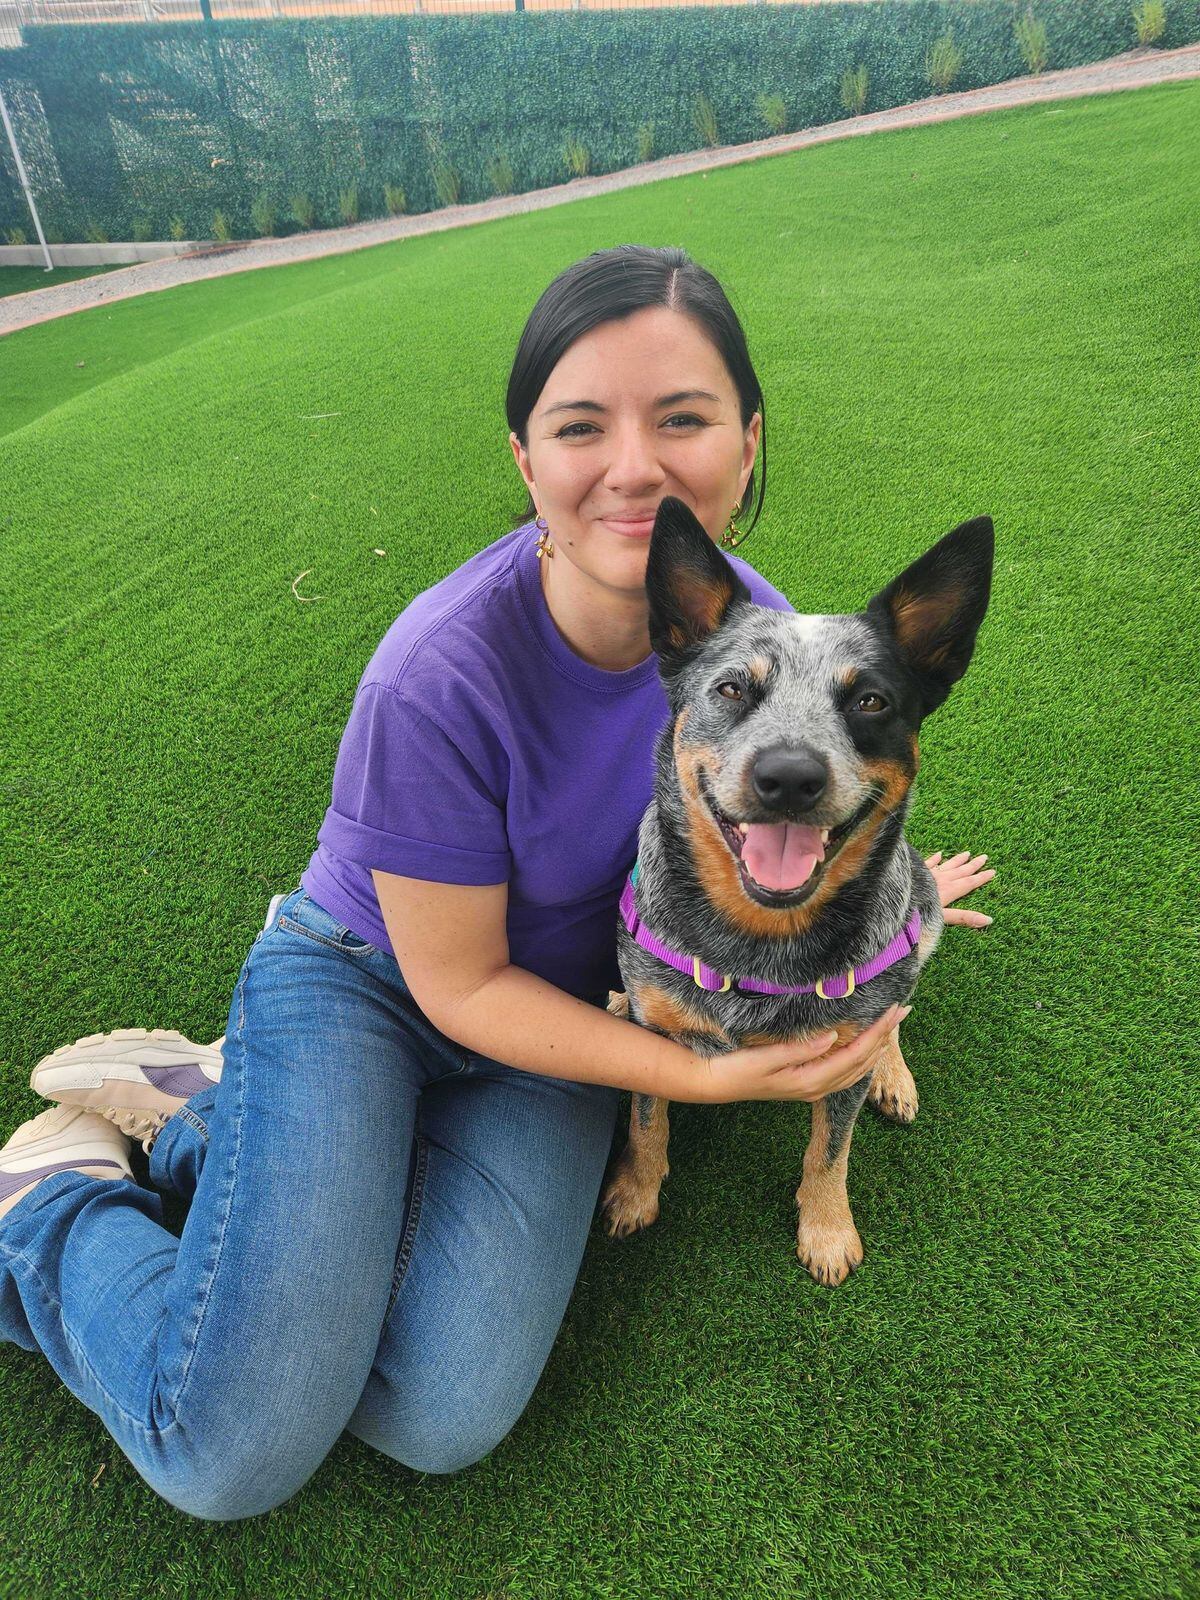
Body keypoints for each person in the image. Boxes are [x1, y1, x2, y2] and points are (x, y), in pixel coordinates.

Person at [0, 245, 994, 1521]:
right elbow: (459, 984)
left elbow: (830, 809)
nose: (634, 465)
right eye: (582, 426)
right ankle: (54, 1209)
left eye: (682, 418)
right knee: (231, 1452)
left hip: (569, 1011)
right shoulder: (436, 673)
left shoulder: (767, 636)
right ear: (528, 459)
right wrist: (697, 1073)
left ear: (747, 442)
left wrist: (891, 915)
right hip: (372, 983)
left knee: (439, 1410)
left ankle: (205, 1121)